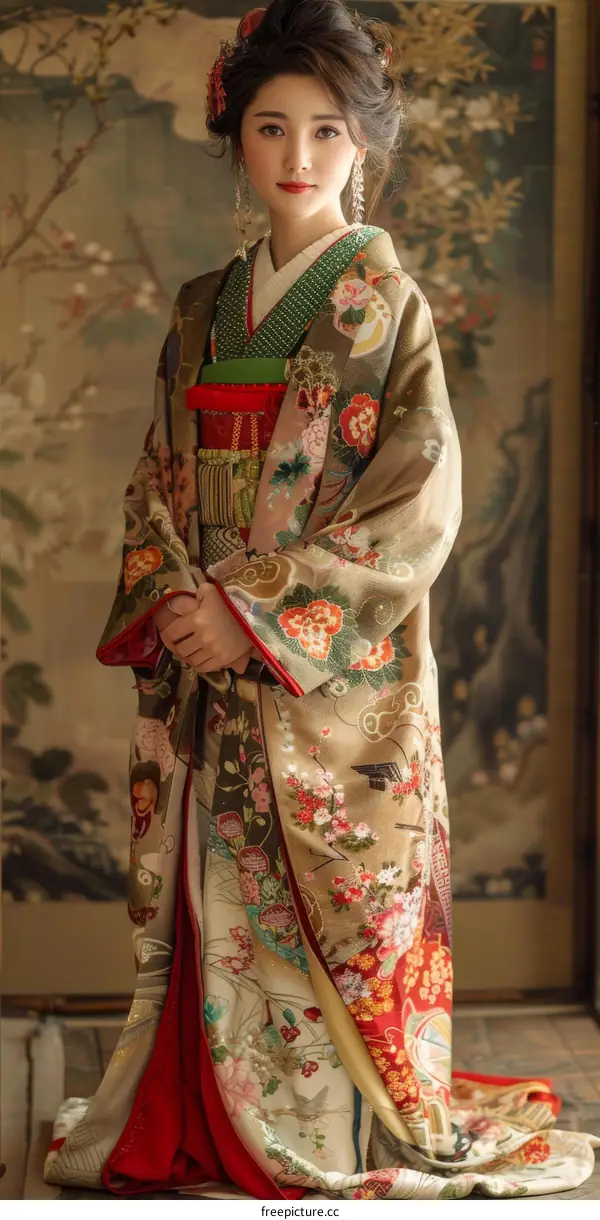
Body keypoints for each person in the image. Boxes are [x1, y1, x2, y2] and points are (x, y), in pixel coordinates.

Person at [45, 0, 598, 1200]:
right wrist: (180, 601)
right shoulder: (202, 309)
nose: (298, 160)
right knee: (209, 886)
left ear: (365, 145)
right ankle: (195, 1117)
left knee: (332, 899)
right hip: (206, 639)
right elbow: (158, 479)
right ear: (235, 141)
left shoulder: (385, 311)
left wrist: (253, 607)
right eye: (270, 129)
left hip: (329, 672)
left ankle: (315, 1130)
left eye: (328, 132)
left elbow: (419, 502)